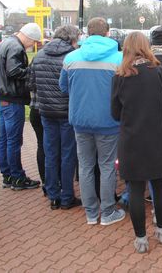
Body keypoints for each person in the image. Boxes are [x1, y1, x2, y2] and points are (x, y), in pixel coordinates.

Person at [59, 17, 125, 226]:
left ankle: (90, 213)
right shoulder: (119, 58)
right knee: (106, 167)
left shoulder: (71, 57)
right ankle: (107, 212)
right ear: (107, 33)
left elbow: (64, 87)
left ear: (87, 32)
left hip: (80, 120)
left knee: (86, 166)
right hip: (108, 121)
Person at [111, 31, 162, 253]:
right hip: (157, 139)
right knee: (159, 187)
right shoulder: (160, 72)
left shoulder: (120, 77)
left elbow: (115, 113)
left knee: (135, 190)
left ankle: (141, 238)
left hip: (131, 141)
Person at [29, 25, 80, 210]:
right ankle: (67, 197)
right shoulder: (72, 57)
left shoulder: (39, 55)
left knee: (50, 152)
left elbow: (31, 83)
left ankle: (53, 195)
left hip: (46, 112)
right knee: (68, 154)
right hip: (66, 112)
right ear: (72, 39)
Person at [0, 22, 42, 190]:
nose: (30, 46)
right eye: (32, 41)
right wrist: (30, 71)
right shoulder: (16, 47)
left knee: (4, 138)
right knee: (14, 140)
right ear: (27, 36)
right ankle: (18, 177)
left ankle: (7, 175)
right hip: (12, 99)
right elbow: (13, 71)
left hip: (0, 97)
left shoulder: (4, 43)